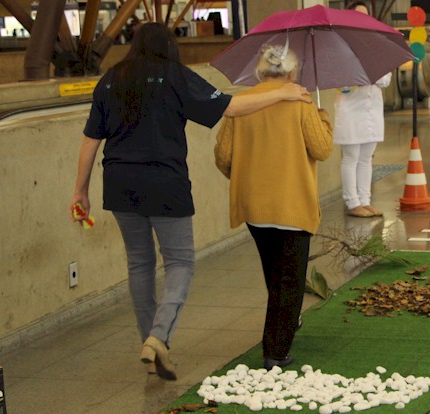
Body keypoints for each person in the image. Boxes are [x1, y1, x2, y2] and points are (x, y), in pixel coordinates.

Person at [70, 23, 311, 380]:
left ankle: (150, 344)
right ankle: (157, 337)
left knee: (139, 264)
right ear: (170, 46)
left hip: (120, 184)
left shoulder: (110, 80)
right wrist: (282, 93)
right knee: (180, 261)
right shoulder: (175, 76)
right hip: (165, 183)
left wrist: (80, 192)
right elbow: (230, 107)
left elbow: (91, 140)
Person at [214, 44, 333, 370]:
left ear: (260, 72)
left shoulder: (244, 104)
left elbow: (224, 156)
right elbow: (321, 149)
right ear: (292, 73)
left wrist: (245, 174)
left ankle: (284, 322)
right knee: (290, 280)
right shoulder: (301, 101)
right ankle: (276, 351)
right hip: (291, 204)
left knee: (275, 272)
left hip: (255, 206)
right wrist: (321, 115)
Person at [334, 1, 391, 218]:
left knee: (367, 157)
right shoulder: (341, 47)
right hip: (351, 109)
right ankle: (352, 202)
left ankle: (365, 200)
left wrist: (369, 73)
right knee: (351, 157)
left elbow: (385, 79)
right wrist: (364, 74)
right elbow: (343, 82)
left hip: (372, 108)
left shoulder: (376, 45)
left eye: (365, 16)